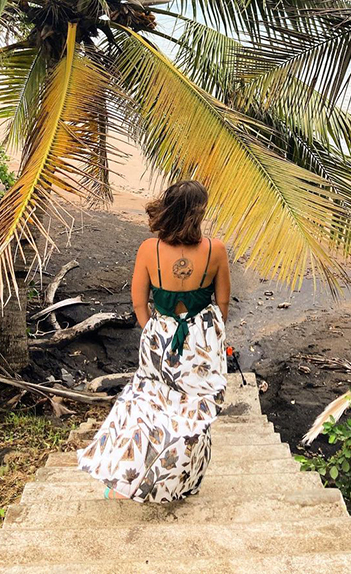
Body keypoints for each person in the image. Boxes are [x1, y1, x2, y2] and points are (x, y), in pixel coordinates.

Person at [77, 180, 230, 502]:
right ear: (198, 213)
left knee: (147, 407)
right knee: (194, 413)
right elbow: (223, 302)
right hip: (201, 339)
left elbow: (138, 302)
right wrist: (207, 337)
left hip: (160, 337)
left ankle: (126, 477)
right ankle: (182, 482)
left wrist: (155, 331)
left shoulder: (150, 250)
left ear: (168, 209)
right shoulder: (215, 249)